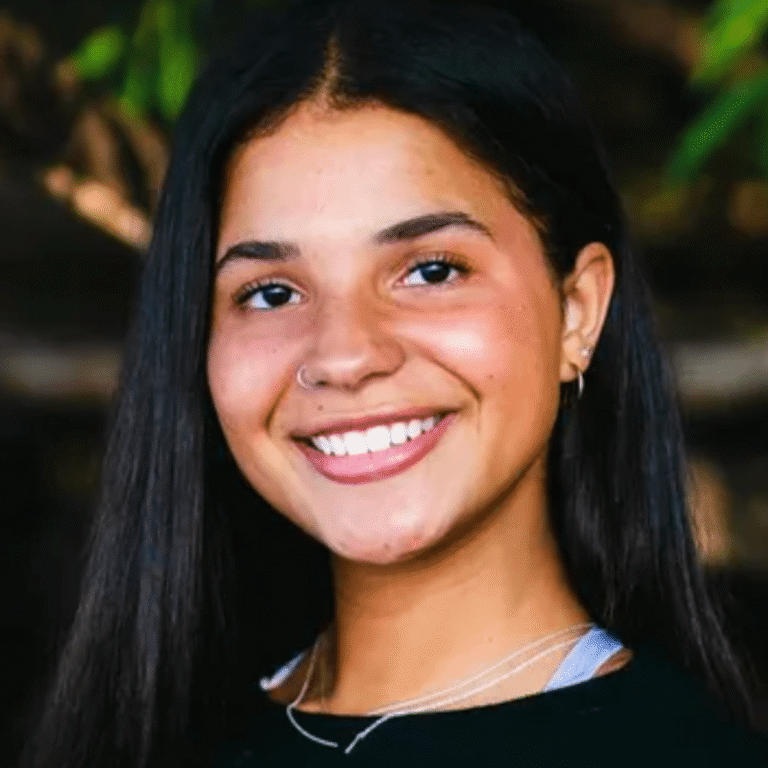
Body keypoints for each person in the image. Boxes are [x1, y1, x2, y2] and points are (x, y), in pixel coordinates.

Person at [24, 1, 768, 766]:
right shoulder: (142, 738)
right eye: (272, 292)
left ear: (576, 312)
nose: (345, 355)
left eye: (431, 270)